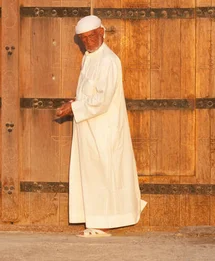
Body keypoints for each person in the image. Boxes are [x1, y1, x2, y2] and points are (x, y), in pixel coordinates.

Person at [55, 15, 146, 238]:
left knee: (105, 173)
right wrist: (74, 103)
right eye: (83, 38)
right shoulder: (89, 57)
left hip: (105, 128)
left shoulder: (109, 60)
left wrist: (73, 107)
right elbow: (89, 93)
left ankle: (104, 224)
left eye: (92, 36)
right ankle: (95, 221)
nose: (88, 41)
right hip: (88, 127)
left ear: (102, 32)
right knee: (92, 174)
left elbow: (103, 100)